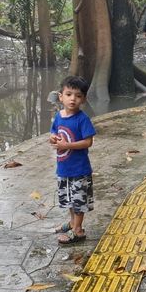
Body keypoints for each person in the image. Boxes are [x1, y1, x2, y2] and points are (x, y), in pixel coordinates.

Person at [49, 76, 96, 245]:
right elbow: (54, 132)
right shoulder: (59, 116)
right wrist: (53, 139)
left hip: (79, 170)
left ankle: (78, 230)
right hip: (63, 169)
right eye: (68, 94)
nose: (72, 99)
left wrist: (67, 144)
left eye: (77, 95)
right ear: (61, 96)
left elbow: (88, 142)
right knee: (69, 199)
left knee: (78, 202)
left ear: (83, 99)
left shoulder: (82, 119)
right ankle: (72, 223)